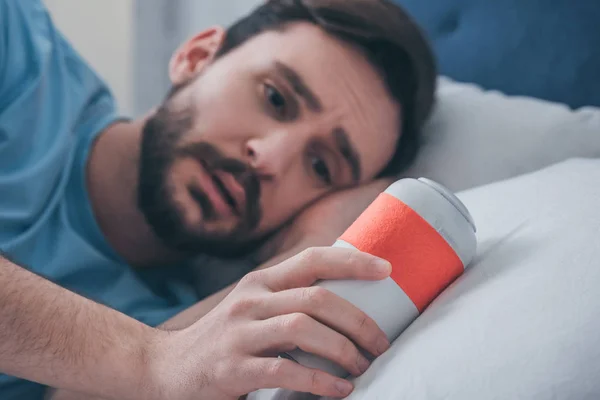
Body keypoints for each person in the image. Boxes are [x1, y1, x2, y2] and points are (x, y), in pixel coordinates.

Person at [0, 0, 436, 398]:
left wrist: (310, 247)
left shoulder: (175, 326)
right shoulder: (15, 48)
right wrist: (149, 361)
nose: (268, 159)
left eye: (321, 167)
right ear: (197, 57)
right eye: (275, 98)